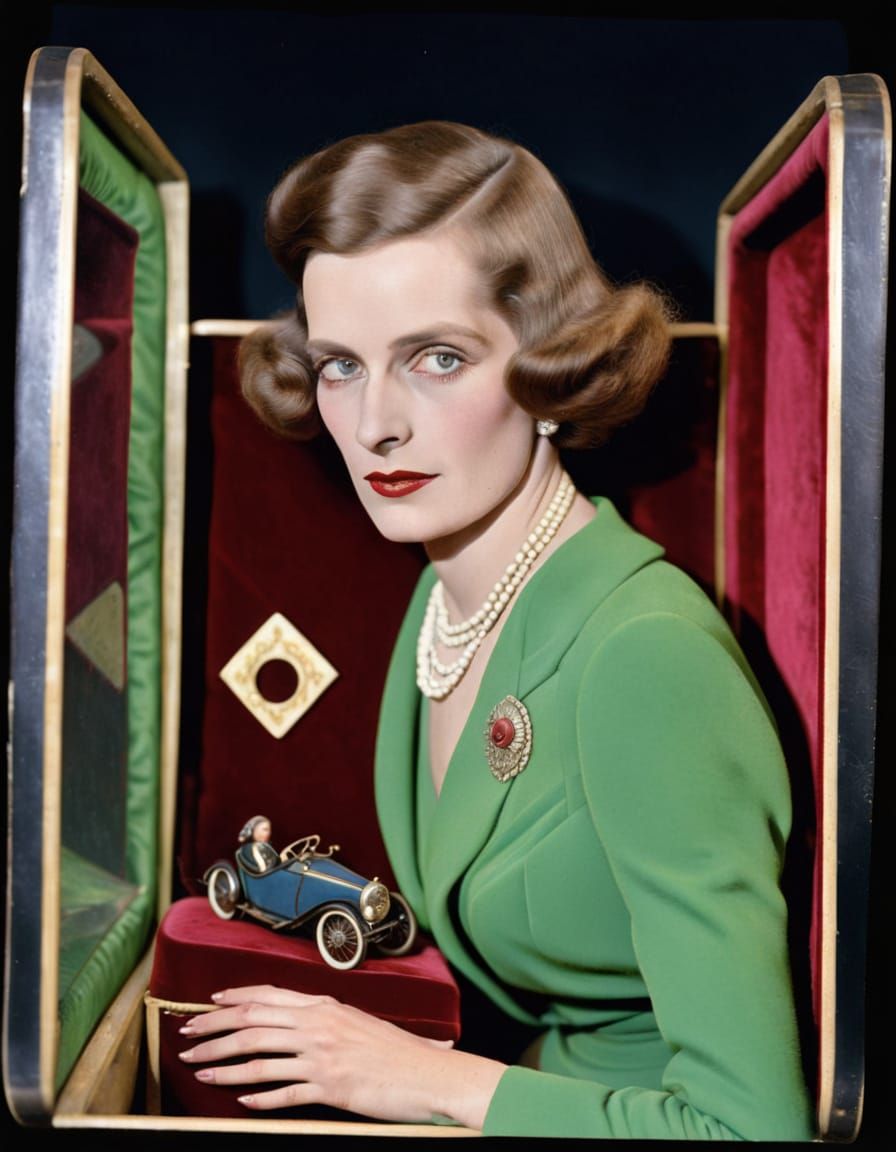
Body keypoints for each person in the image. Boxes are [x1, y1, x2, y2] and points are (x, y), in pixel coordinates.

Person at [176, 121, 814, 1140]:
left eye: (436, 358)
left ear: (550, 362)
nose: (375, 423)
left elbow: (749, 1130)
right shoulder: (443, 600)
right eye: (340, 365)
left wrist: (424, 1080)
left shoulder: (645, 657)